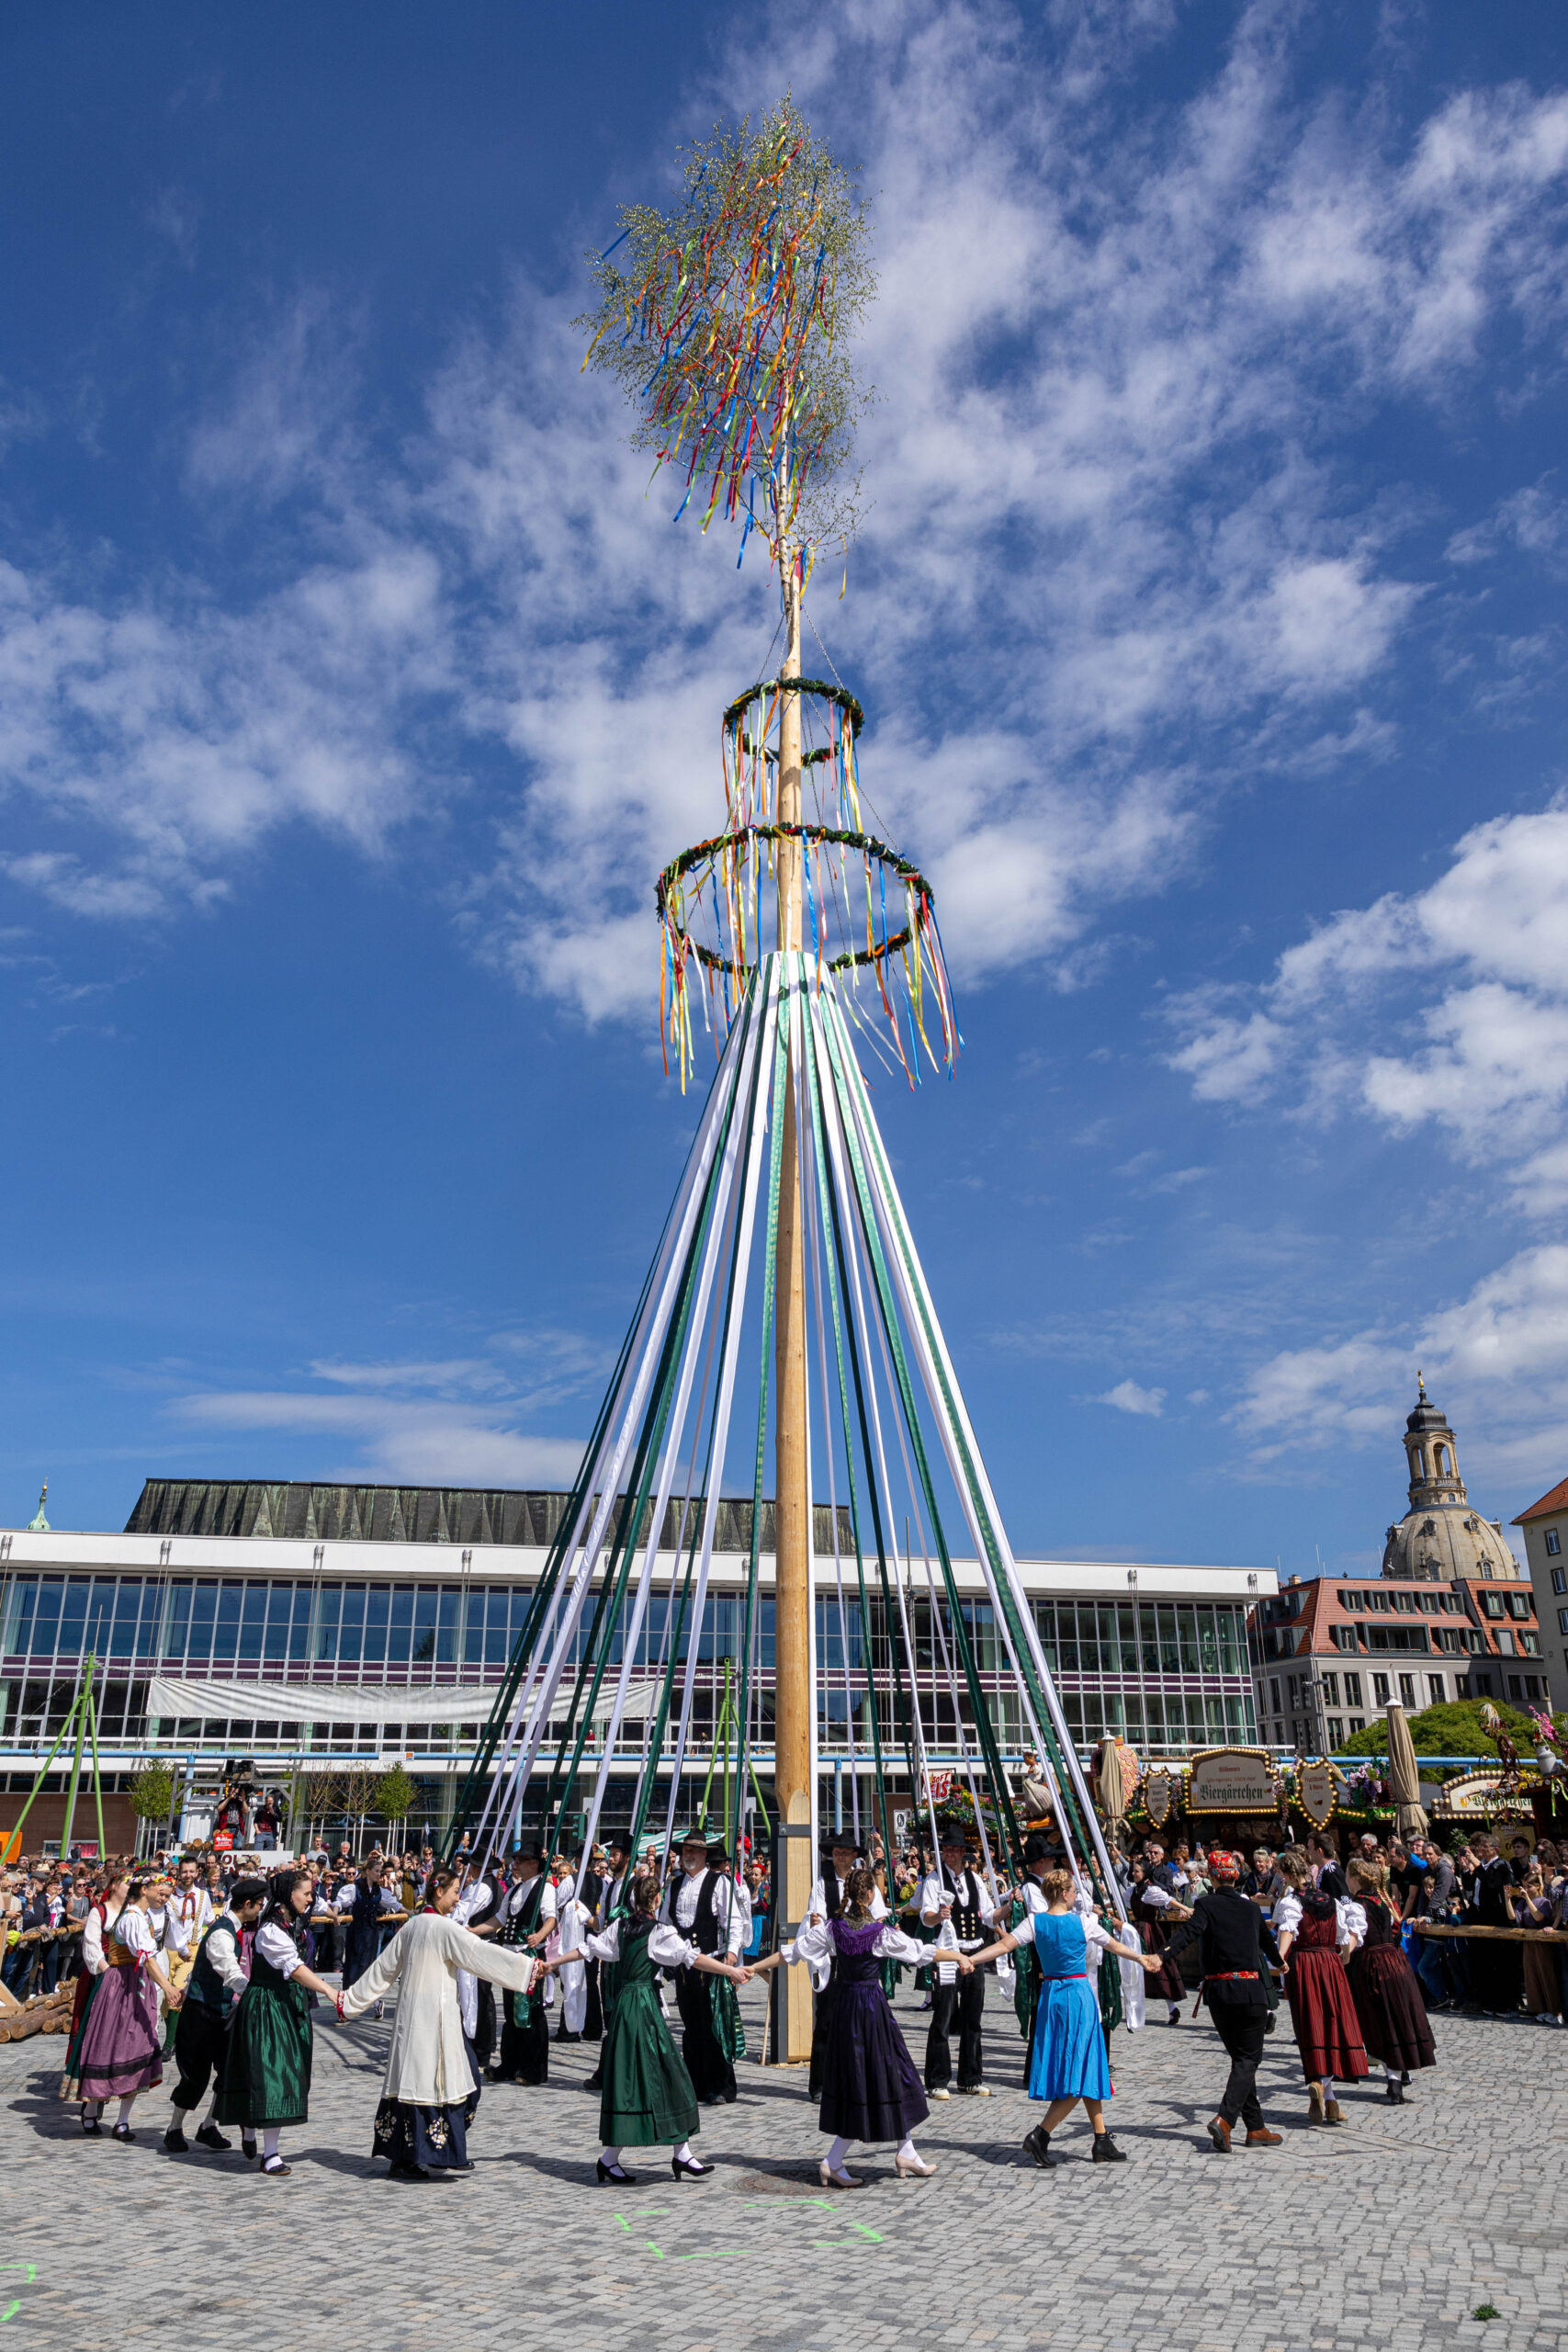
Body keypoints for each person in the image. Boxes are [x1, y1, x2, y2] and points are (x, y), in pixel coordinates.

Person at [339, 1863, 545, 2181]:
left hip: (411, 2019)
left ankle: (405, 2156)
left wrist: (350, 2001)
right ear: (439, 1891)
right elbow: (480, 1956)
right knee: (447, 2082)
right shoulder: (444, 1928)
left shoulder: (411, 1926)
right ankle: (433, 2153)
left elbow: (382, 1970)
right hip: (435, 2018)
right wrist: (528, 1969)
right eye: (453, 1893)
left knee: (416, 2080)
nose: (457, 1899)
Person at [960, 1868, 1160, 2167]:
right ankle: (1040, 2134)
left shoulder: (1035, 1922)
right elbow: (1114, 1945)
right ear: (1065, 1894)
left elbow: (1004, 1945)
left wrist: (972, 1959)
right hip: (1078, 1997)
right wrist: (1141, 1957)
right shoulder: (1083, 1922)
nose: (1076, 1896)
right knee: (1078, 2071)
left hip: (1052, 1996)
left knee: (1088, 2064)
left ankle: (1101, 2139)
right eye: (1074, 1891)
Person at [751, 1863, 938, 2186]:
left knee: (882, 2072)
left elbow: (792, 1953)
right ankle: (834, 2160)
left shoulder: (832, 1929)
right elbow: (920, 1953)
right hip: (871, 2008)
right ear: (868, 1895)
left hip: (845, 2006)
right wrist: (963, 1957)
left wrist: (753, 1966)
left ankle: (906, 2149)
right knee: (878, 2075)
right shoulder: (879, 1934)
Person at [573, 1869, 749, 2184]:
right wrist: (729, 1970)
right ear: (657, 1899)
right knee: (670, 2075)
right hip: (642, 2008)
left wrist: (549, 1965)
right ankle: (622, 2158)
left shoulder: (622, 1927)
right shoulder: (658, 1932)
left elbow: (589, 1949)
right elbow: (691, 1958)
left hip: (625, 2007)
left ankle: (663, 2155)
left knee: (631, 2081)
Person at [216, 1868, 338, 2177]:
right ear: (288, 1895)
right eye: (306, 1893)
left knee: (291, 2075)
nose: (311, 1898)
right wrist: (329, 1990)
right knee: (273, 2075)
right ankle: (270, 2154)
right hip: (267, 2006)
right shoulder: (271, 1930)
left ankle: (254, 2127)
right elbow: (295, 1967)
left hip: (289, 2005)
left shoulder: (296, 1922)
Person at [1162, 1849, 1284, 2151]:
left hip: (1219, 1996)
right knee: (1248, 2059)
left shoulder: (1206, 1905)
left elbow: (1187, 1934)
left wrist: (1162, 1955)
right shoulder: (1251, 1909)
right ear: (1236, 1876)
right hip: (1249, 1992)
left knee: (1242, 2059)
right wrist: (1281, 1963)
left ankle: (1256, 2128)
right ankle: (1225, 2119)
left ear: (1213, 1876)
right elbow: (1267, 1945)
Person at [71, 1875, 182, 2141]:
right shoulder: (131, 1917)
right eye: (160, 1893)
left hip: (137, 1985)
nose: (163, 1899)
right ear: (144, 1890)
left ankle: (122, 2121)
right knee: (110, 2044)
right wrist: (167, 1987)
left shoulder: (143, 1917)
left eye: (167, 1895)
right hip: (119, 1985)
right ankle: (92, 2110)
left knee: (139, 2045)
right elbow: (145, 1956)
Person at [164, 1877, 268, 2153]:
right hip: (200, 2012)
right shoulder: (221, 1933)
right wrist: (251, 1992)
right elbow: (230, 1971)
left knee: (229, 2071)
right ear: (247, 1904)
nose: (260, 1908)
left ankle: (208, 2126)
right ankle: (174, 2128)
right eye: (259, 1904)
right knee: (195, 2075)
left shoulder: (234, 1929)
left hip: (223, 2013)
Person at [1274, 1848, 1369, 2126]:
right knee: (1333, 2024)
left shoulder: (1292, 1902)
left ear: (1288, 1876)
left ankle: (1319, 2081)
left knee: (1311, 2024)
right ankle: (1331, 2101)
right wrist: (1346, 1956)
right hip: (1330, 1964)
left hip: (1304, 1965)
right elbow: (1349, 1935)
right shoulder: (1332, 1901)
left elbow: (1288, 1933)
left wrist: (1279, 1960)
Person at [659, 1829, 746, 2106]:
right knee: (691, 2026)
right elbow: (665, 1924)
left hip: (712, 1963)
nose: (688, 1855)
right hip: (685, 1968)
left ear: (705, 1855)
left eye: (694, 1850)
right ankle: (695, 2084)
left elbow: (733, 1921)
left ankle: (721, 2085)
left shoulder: (719, 1882)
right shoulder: (675, 1884)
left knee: (714, 2025)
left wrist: (731, 1954)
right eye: (685, 1850)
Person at [1343, 1855, 1437, 2098]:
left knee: (1380, 2019)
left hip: (1373, 1966)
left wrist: (1340, 1958)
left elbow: (1352, 1942)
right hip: (1396, 1963)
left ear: (1354, 1879)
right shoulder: (1382, 1900)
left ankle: (1394, 2079)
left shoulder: (1357, 1906)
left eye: (1347, 1877)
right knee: (1399, 2015)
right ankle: (1401, 2071)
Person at [918, 1828, 998, 2098]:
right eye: (946, 1849)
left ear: (963, 1853)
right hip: (949, 1956)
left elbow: (988, 1915)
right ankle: (937, 2079)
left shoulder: (974, 1879)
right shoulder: (934, 1880)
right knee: (943, 2018)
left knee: (973, 2020)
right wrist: (938, 1916)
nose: (949, 1853)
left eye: (954, 1850)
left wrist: (1009, 1906)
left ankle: (970, 2078)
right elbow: (925, 1917)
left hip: (974, 1954)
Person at [805, 1835, 886, 2098]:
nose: (840, 1856)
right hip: (833, 1958)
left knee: (859, 2021)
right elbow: (816, 1916)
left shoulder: (864, 1881)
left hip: (859, 1958)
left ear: (854, 1856)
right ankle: (820, 2084)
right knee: (827, 2021)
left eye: (845, 1852)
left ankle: (857, 2080)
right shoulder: (823, 1883)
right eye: (837, 1852)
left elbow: (880, 1914)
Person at [490, 1835, 557, 2085]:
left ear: (535, 1864)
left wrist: (539, 1935)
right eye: (516, 1860)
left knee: (531, 2012)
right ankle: (511, 2063)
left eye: (522, 1860)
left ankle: (533, 2068)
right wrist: (472, 1931)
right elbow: (499, 1919)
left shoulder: (545, 1888)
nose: (516, 1864)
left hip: (529, 1956)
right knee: (510, 2012)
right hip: (510, 1956)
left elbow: (551, 1918)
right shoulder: (516, 1889)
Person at [582, 1834, 633, 2094]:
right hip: (609, 1960)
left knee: (624, 2016)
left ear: (626, 1857)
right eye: (610, 1854)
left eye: (614, 1854)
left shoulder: (635, 1885)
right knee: (610, 2014)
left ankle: (614, 2071)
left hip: (625, 1960)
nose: (610, 1858)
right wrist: (589, 1920)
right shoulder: (611, 1886)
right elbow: (605, 1922)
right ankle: (609, 2070)